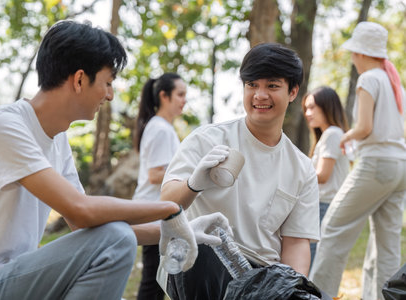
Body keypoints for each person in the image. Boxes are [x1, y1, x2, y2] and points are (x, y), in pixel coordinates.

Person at [0, 20, 229, 300]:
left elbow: (85, 224)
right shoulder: (5, 126)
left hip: (18, 278)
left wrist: (176, 231)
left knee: (115, 238)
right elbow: (81, 210)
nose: (110, 95)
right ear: (79, 80)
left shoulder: (58, 140)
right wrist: (169, 210)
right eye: (107, 83)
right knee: (116, 238)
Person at [159, 43, 321, 299]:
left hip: (260, 277)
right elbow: (166, 203)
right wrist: (193, 184)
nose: (260, 95)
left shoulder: (301, 168)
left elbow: (296, 245)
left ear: (293, 92)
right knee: (205, 245)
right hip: (199, 261)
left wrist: (289, 290)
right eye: (252, 85)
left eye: (272, 86)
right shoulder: (207, 139)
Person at [310, 22, 406, 300]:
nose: (352, 59)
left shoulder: (369, 79)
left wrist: (344, 138)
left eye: (354, 53)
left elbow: (364, 127)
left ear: (362, 53)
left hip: (376, 164)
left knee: (332, 227)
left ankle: (317, 295)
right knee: (386, 245)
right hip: (400, 166)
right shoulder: (394, 82)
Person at [133, 73, 187, 300]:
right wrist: (193, 177)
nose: (184, 100)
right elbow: (155, 175)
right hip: (153, 213)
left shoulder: (162, 127)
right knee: (154, 282)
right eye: (180, 94)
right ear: (164, 96)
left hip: (157, 213)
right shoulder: (161, 129)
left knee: (159, 280)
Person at [301, 86, 350, 265]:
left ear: (327, 106)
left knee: (314, 260)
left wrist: (294, 177)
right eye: (306, 108)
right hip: (322, 205)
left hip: (325, 205)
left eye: (312, 107)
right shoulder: (329, 135)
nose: (307, 113)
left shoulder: (332, 134)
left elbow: (322, 175)